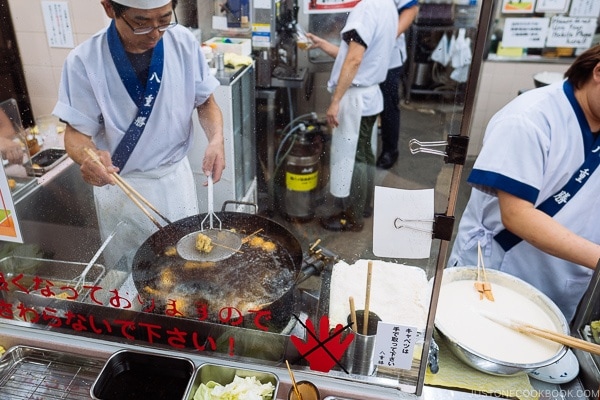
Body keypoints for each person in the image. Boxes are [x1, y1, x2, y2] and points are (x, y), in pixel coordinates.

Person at [53, 0, 225, 266]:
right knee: (131, 274)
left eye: (165, 19)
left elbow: (206, 102)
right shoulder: (84, 61)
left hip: (175, 180)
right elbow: (75, 135)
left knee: (187, 269)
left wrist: (216, 139)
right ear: (110, 9)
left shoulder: (183, 43)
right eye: (142, 23)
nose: (156, 33)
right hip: (121, 189)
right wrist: (87, 158)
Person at [448, 45, 600, 322]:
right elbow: (517, 215)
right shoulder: (530, 118)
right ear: (598, 71)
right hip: (501, 272)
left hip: (565, 283)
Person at [306, 0, 398, 232]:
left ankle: (352, 216)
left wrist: (335, 101)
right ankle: (363, 206)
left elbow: (355, 60)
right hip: (369, 94)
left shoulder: (366, 8)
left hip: (356, 98)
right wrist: (324, 45)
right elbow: (357, 55)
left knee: (354, 157)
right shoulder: (387, 6)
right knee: (365, 153)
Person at [376, 1, 418, 170]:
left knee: (388, 104)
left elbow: (411, 8)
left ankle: (390, 151)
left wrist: (385, 39)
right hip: (360, 53)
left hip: (389, 58)